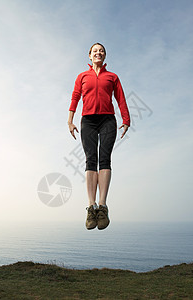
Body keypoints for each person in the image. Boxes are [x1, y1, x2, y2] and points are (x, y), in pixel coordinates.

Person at [68, 43, 130, 230]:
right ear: (89, 55)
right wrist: (70, 121)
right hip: (87, 120)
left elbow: (120, 98)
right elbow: (75, 97)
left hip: (107, 120)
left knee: (104, 159)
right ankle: (91, 206)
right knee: (90, 160)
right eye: (95, 51)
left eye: (101, 51)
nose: (98, 53)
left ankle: (102, 207)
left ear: (104, 56)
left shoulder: (112, 77)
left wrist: (126, 120)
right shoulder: (82, 76)